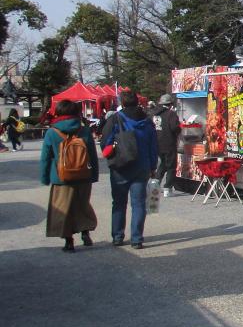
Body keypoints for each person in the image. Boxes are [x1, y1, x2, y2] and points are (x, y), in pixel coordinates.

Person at [100, 91, 158, 249]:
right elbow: (153, 146)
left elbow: (105, 142)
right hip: (142, 167)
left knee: (119, 203)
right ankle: (137, 238)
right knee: (139, 204)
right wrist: (153, 166)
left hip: (120, 166)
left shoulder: (115, 119)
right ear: (137, 102)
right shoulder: (147, 121)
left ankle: (118, 236)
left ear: (122, 103)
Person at [39, 100, 99, 252]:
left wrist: (45, 177)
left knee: (63, 209)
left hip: (61, 177)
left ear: (58, 112)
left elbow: (45, 157)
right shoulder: (84, 130)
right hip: (83, 175)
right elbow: (92, 154)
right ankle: (85, 233)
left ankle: (69, 241)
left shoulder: (52, 132)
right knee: (82, 204)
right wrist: (94, 175)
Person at [150, 94, 182, 197]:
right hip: (169, 143)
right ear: (169, 104)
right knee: (171, 166)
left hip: (156, 143)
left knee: (163, 164)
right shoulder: (170, 114)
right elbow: (175, 128)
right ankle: (167, 188)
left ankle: (155, 185)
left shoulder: (153, 114)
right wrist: (179, 130)